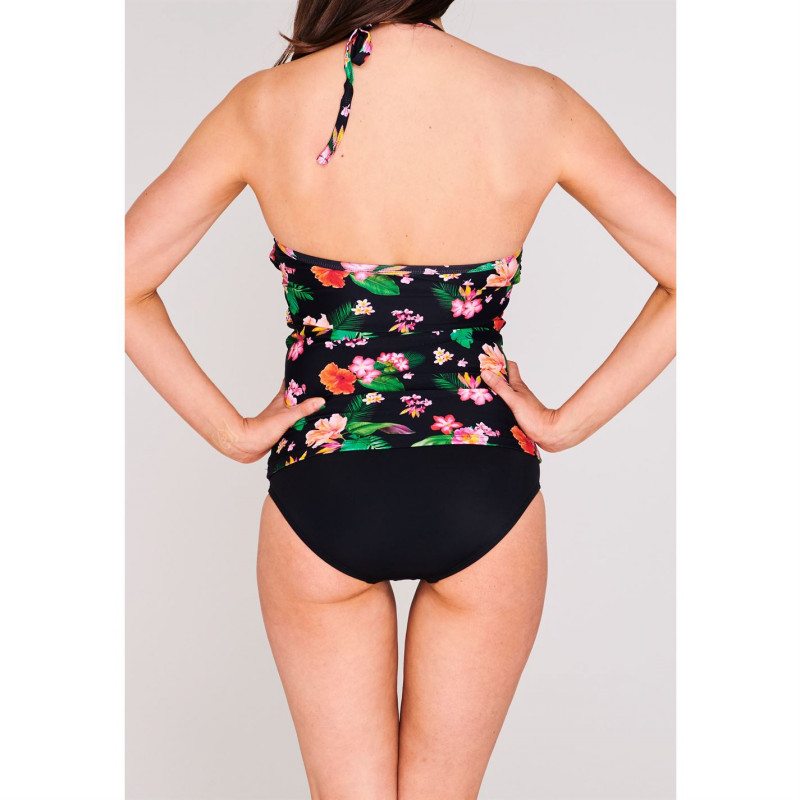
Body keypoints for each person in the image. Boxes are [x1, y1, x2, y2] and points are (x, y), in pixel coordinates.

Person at [125, 2, 676, 797]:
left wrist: (233, 432)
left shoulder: (264, 104)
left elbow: (118, 280)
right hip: (486, 483)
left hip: (324, 484)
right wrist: (566, 423)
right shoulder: (536, 101)